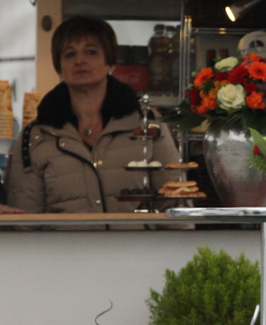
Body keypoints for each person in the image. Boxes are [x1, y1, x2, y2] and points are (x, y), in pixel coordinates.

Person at [6, 16, 179, 213]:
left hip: (137, 236)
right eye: (70, 54)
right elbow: (24, 220)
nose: (80, 60)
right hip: (64, 236)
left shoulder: (149, 124)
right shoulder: (34, 136)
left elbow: (174, 205)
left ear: (110, 62)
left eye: (91, 52)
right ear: (59, 67)